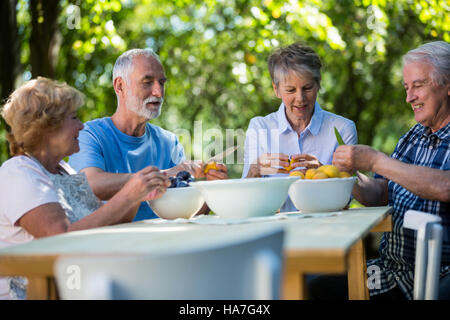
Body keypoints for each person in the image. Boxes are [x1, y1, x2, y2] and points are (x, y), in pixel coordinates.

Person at [0, 77, 170, 299]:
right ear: (47, 127)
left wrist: (137, 195)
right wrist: (127, 194)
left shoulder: (64, 171)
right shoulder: (19, 173)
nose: (81, 125)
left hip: (76, 287)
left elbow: (107, 221)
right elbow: (60, 238)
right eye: (74, 117)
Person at [310, 41, 450, 300]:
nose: (409, 97)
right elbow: (381, 193)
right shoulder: (414, 136)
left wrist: (375, 160)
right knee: (310, 288)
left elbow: (445, 186)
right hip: (393, 272)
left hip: (439, 273)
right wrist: (343, 175)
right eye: (407, 88)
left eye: (418, 85)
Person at [68, 49, 227, 221]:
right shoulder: (90, 135)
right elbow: (88, 185)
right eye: (147, 82)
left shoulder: (169, 142)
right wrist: (167, 174)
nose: (158, 92)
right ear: (119, 86)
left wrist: (212, 191)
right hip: (109, 244)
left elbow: (187, 215)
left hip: (161, 244)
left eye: (162, 83)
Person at [242, 42, 357, 211]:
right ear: (276, 89)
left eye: (307, 88)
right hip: (274, 231)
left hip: (327, 230)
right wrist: (255, 170)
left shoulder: (342, 129)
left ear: (318, 84)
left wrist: (324, 172)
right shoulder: (259, 128)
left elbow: (346, 199)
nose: (300, 98)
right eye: (290, 90)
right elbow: (246, 201)